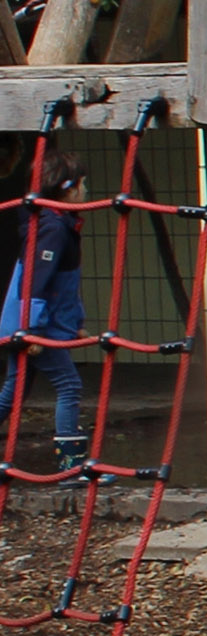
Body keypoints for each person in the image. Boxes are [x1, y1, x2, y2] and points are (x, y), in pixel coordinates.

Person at [4, 144, 86, 471]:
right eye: (81, 183)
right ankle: (71, 468)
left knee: (14, 391)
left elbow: (64, 286)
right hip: (35, 327)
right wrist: (32, 329)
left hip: (35, 324)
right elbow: (37, 281)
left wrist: (74, 323)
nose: (86, 190)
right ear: (66, 189)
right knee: (70, 385)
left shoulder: (58, 223)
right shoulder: (52, 228)